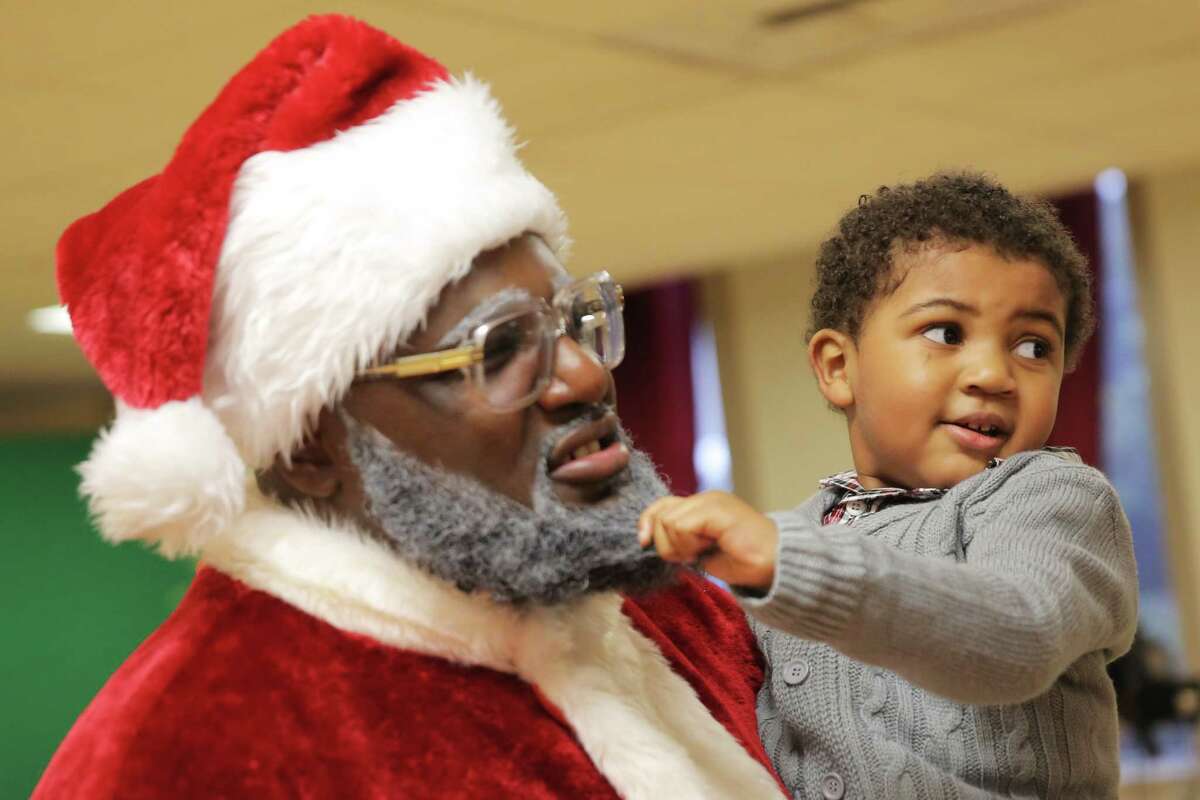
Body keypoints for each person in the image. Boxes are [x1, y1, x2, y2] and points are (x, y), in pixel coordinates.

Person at [33, 15, 784, 799]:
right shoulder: (189, 747)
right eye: (500, 351)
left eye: (572, 323)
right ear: (314, 452)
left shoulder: (671, 614)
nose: (584, 377)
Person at [641, 173, 1139, 798]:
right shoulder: (802, 534)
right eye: (946, 333)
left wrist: (787, 561)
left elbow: (1020, 633)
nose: (993, 373)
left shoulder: (1049, 497)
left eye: (1034, 345)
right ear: (838, 367)